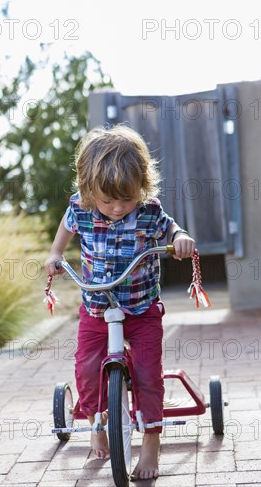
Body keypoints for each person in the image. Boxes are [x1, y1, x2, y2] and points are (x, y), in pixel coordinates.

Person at [45, 124, 195, 480]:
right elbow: (65, 231)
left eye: (125, 199)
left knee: (147, 374)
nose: (116, 208)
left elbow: (171, 229)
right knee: (86, 367)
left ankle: (151, 445)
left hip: (141, 308)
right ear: (88, 190)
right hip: (97, 307)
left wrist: (180, 238)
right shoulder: (80, 209)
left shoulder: (148, 212)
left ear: (140, 188)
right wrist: (55, 254)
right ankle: (98, 423)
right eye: (107, 200)